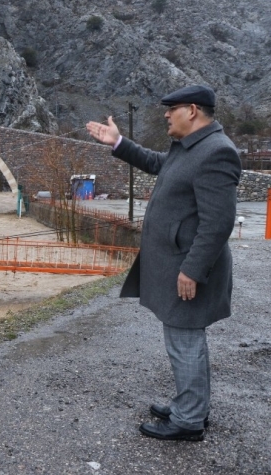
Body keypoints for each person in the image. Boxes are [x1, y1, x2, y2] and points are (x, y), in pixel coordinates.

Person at [85, 85, 241, 441]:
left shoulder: (217, 152)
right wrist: (118, 142)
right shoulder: (191, 147)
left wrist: (192, 270)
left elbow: (218, 223)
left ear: (192, 111)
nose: (166, 116)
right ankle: (192, 408)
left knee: (184, 341)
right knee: (184, 340)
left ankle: (188, 422)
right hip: (177, 262)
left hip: (187, 267)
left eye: (171, 110)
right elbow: (158, 164)